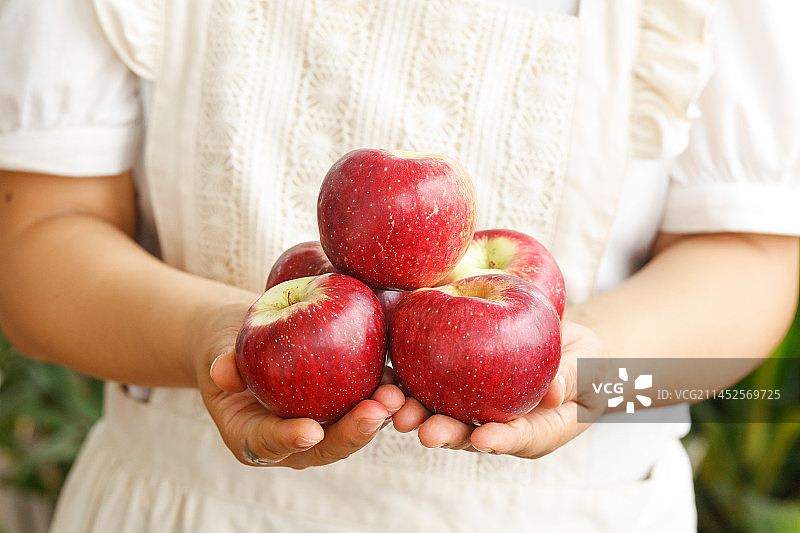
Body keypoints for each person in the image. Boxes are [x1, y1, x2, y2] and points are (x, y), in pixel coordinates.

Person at [0, 0, 798, 531]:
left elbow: (754, 257)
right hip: (181, 506)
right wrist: (214, 340)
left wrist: (582, 376)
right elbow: (34, 240)